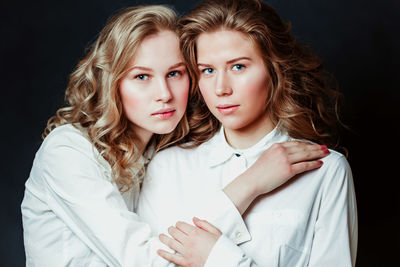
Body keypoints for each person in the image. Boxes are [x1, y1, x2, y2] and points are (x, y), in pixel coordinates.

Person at [21, 4, 329, 267]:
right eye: (142, 76)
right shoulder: (67, 152)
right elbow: (149, 261)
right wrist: (251, 182)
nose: (164, 94)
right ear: (112, 82)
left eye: (175, 73)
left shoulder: (163, 156)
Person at [137, 0, 358, 266]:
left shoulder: (326, 170)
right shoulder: (168, 166)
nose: (221, 88)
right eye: (207, 70)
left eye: (238, 67)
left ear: (275, 70)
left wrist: (219, 258)